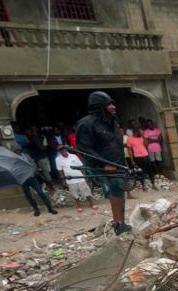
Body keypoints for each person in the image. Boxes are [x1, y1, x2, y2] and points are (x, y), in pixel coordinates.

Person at [76, 91, 131, 235]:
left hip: (118, 164)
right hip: (104, 167)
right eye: (109, 104)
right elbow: (84, 148)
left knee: (119, 192)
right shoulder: (86, 124)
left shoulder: (112, 121)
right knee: (115, 192)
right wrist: (103, 165)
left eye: (113, 104)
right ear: (99, 106)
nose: (113, 107)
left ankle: (121, 222)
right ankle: (119, 225)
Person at [13, 147, 58, 217]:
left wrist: (32, 172)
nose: (18, 152)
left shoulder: (26, 156)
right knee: (28, 195)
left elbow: (33, 164)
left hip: (31, 177)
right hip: (23, 180)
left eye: (18, 150)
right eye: (16, 151)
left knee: (40, 192)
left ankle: (50, 208)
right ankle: (36, 209)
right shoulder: (13, 158)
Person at [55, 145, 97, 213]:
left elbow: (81, 166)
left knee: (86, 192)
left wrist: (84, 175)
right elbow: (60, 171)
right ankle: (79, 206)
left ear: (66, 149)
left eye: (63, 149)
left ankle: (92, 204)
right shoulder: (58, 159)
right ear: (59, 151)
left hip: (80, 177)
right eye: (60, 150)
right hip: (70, 179)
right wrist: (63, 180)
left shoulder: (74, 156)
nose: (62, 151)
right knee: (75, 194)